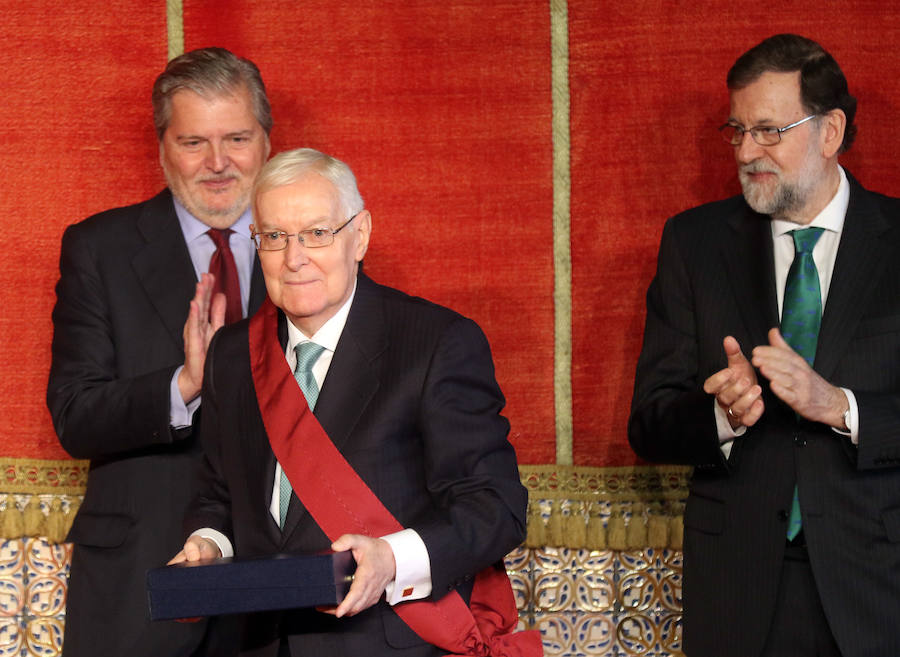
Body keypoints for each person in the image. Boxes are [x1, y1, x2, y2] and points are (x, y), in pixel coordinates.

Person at [169, 148, 534, 657]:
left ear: (359, 235)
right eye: (274, 237)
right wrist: (210, 544)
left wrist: (390, 558)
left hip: (388, 641)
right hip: (254, 643)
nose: (294, 258)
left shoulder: (435, 343)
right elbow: (217, 492)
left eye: (318, 233)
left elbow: (497, 508)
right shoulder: (233, 353)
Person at [628, 34, 900, 657]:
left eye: (769, 131)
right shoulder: (694, 244)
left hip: (879, 585)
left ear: (830, 132)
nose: (747, 151)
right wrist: (721, 417)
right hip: (740, 590)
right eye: (738, 130)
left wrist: (841, 408)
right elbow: (648, 423)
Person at [47, 47, 271, 657]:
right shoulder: (100, 248)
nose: (219, 163)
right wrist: (184, 386)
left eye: (237, 139)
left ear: (267, 142)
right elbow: (74, 414)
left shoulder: (309, 247)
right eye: (194, 142)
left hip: (283, 582)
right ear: (162, 147)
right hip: (138, 583)